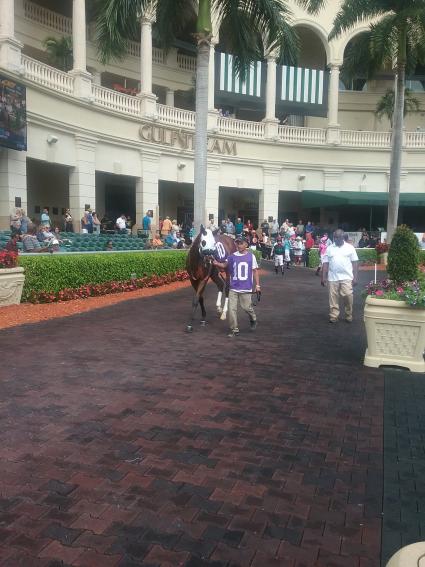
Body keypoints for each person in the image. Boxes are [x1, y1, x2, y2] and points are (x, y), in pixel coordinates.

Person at [213, 236, 260, 337]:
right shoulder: (232, 256)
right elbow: (225, 265)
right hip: (233, 287)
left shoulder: (251, 256)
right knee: (232, 309)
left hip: (246, 287)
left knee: (246, 307)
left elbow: (255, 271)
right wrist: (217, 263)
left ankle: (253, 318)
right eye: (237, 243)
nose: (238, 245)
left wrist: (258, 285)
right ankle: (234, 329)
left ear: (246, 245)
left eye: (241, 243)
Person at [321, 229, 359, 324]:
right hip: (332, 277)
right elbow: (325, 263)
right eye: (335, 237)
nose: (336, 239)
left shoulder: (350, 248)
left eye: (338, 237)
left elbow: (355, 263)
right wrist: (323, 277)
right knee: (333, 298)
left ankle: (348, 314)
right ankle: (334, 316)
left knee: (348, 295)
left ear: (343, 237)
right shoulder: (329, 248)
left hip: (346, 277)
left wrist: (355, 277)